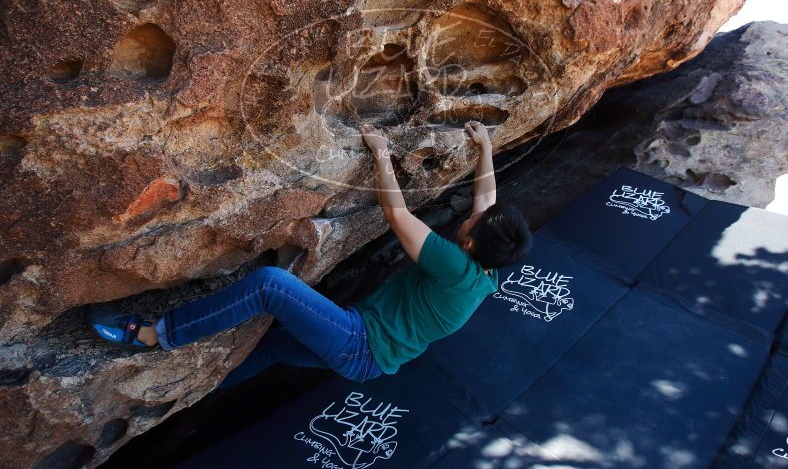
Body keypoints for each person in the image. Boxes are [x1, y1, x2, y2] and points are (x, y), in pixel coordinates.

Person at [87, 120, 532, 385]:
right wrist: (487, 148)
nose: (471, 217)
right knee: (269, 346)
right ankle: (199, 388)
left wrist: (380, 155)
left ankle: (157, 334)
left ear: (470, 244)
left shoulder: (454, 267)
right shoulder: (485, 272)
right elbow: (486, 205)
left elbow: (397, 215)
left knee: (270, 285)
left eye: (472, 225)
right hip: (370, 358)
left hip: (358, 343)